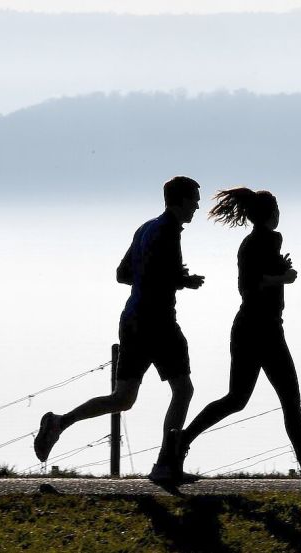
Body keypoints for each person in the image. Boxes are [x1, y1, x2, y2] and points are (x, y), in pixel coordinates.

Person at [34, 176, 205, 484]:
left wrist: (168, 277)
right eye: (193, 198)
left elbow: (122, 274)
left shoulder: (145, 229)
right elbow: (157, 279)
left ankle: (60, 422)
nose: (197, 205)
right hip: (158, 321)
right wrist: (183, 280)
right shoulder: (167, 232)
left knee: (123, 398)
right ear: (179, 200)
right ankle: (166, 464)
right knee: (183, 389)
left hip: (132, 320)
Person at [178, 187, 301, 486]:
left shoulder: (249, 243)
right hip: (265, 328)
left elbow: (250, 281)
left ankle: (183, 439)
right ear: (271, 214)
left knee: (236, 399)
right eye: (278, 210)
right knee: (289, 398)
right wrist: (284, 277)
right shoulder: (270, 239)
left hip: (246, 328)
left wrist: (279, 269)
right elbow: (254, 285)